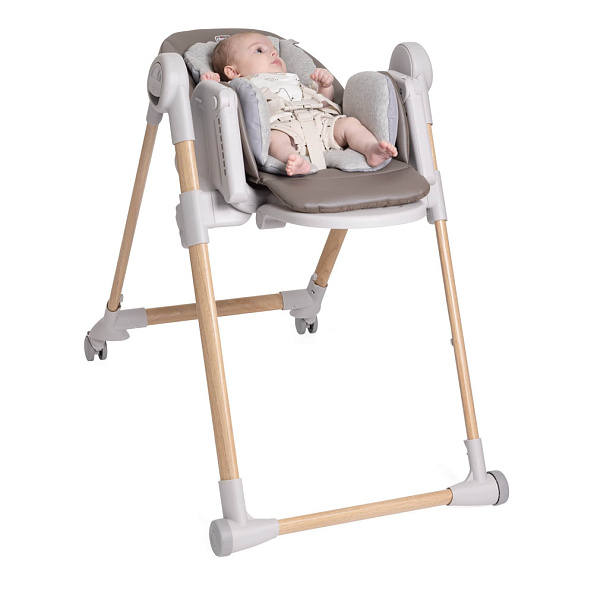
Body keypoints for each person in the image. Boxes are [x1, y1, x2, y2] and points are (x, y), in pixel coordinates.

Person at [200, 33, 398, 176]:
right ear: (233, 72)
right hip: (284, 129)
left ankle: (371, 149)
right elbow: (224, 104)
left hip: (322, 123)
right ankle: (294, 160)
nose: (273, 54)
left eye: (274, 51)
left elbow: (324, 101)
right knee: (274, 140)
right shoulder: (241, 85)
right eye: (259, 50)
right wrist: (211, 84)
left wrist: (324, 86)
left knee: (350, 124)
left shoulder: (294, 79)